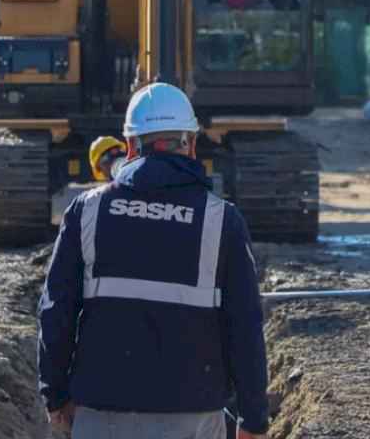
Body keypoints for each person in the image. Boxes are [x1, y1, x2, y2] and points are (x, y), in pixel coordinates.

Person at [38, 83, 270, 439]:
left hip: (102, 413)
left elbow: (56, 311)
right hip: (193, 416)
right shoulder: (221, 220)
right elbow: (245, 327)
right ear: (191, 145)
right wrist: (253, 418)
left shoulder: (87, 211)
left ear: (130, 146)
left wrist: (54, 395)